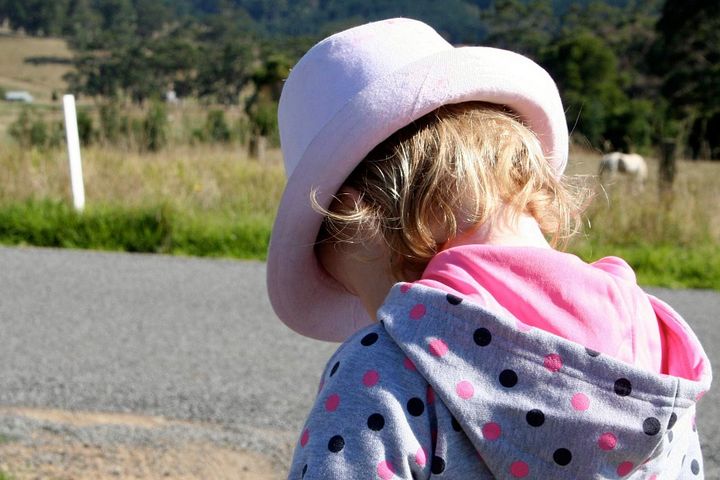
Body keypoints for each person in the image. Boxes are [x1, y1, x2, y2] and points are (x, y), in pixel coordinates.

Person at [266, 18, 712, 479]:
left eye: (354, 287)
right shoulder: (656, 351)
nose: (375, 313)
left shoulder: (382, 369)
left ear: (359, 220)